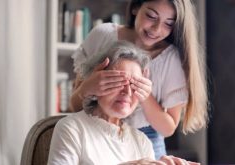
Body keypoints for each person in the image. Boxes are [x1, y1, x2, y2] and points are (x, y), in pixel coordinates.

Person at [70, 0, 208, 160]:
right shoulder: (103, 35)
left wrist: (145, 96)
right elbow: (74, 106)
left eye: (168, 24)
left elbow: (168, 128)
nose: (157, 29)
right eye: (151, 16)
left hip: (147, 138)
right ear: (136, 7)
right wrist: (87, 88)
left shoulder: (171, 60)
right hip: (97, 131)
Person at [47, 41, 199, 165]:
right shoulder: (72, 128)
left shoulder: (142, 141)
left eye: (135, 85)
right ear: (98, 82)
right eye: (118, 82)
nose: (127, 92)